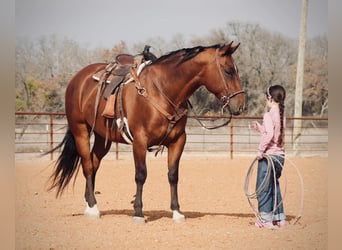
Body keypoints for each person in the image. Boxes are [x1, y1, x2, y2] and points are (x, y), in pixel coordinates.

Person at [251, 85, 287, 229]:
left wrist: (260, 151)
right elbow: (274, 133)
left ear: (270, 98)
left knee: (263, 187)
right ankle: (280, 218)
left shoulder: (268, 114)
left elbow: (270, 135)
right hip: (280, 157)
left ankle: (265, 219)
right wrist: (260, 128)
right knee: (274, 186)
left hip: (269, 158)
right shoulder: (281, 114)